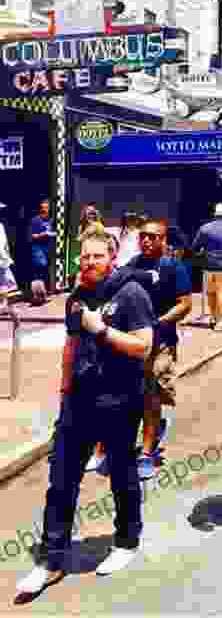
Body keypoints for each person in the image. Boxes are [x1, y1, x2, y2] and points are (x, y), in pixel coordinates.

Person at [16, 231, 154, 597]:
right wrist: (63, 390)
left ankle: (126, 540)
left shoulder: (131, 293)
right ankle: (50, 557)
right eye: (84, 257)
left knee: (121, 473)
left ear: (111, 258)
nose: (88, 262)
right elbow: (72, 344)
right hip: (79, 400)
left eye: (96, 256)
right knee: (61, 479)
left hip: (120, 400)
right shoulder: (77, 297)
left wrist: (104, 330)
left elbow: (143, 347)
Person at [126, 219, 192, 480]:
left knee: (153, 389)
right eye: (143, 236)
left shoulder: (173, 267)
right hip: (134, 340)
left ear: (163, 240)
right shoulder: (132, 266)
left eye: (153, 237)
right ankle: (146, 433)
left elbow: (185, 304)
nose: (146, 241)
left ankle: (147, 452)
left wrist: (160, 322)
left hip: (162, 340)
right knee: (135, 393)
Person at [191, 203, 222, 331]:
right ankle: (220, 322)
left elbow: (195, 247)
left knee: (210, 293)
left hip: (208, 266)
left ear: (214, 215)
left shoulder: (205, 229)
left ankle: (214, 317)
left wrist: (201, 253)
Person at [29, 200, 56, 304]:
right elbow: (32, 236)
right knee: (40, 267)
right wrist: (43, 234)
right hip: (37, 248)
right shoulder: (35, 220)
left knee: (44, 271)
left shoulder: (50, 220)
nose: (44, 210)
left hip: (47, 249)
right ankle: (36, 295)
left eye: (46, 208)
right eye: (42, 208)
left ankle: (42, 295)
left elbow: (52, 232)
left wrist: (52, 234)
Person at [0, 202, 16, 312]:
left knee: (3, 282)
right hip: (1, 259)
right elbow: (3, 244)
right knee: (3, 282)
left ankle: (3, 304)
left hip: (2, 258)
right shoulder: (0, 226)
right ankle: (3, 304)